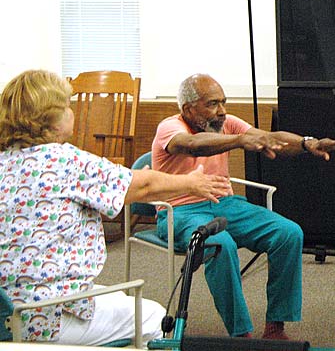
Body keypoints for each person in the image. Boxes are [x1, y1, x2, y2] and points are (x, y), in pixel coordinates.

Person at [0, 70, 231, 345]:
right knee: (154, 318)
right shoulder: (65, 161)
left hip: (6, 309)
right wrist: (191, 183)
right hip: (48, 317)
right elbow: (143, 186)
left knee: (116, 298)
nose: (71, 112)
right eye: (67, 106)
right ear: (50, 119)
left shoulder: (5, 162)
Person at [151, 73, 335, 340]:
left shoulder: (226, 123)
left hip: (225, 204)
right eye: (212, 104)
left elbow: (271, 138)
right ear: (188, 109)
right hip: (180, 211)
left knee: (288, 233)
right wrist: (238, 140)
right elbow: (192, 145)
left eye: (223, 102)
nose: (222, 111)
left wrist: (307, 143)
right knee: (221, 244)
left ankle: (275, 328)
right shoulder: (170, 127)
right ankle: (241, 335)